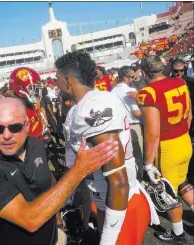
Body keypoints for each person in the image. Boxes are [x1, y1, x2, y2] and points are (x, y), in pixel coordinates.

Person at [0, 97, 119, 245]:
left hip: (54, 238)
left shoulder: (36, 146)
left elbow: (48, 182)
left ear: (27, 126)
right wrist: (78, 170)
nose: (6, 135)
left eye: (15, 127)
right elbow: (30, 220)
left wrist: (58, 225)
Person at [55, 51, 155, 245]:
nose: (56, 85)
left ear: (68, 80)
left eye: (58, 79)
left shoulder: (92, 107)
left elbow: (118, 181)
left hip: (121, 205)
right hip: (106, 204)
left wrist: (109, 239)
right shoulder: (79, 108)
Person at [137, 55, 194, 243]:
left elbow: (152, 133)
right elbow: (189, 116)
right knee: (182, 182)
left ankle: (178, 234)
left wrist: (147, 163)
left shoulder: (148, 93)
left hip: (167, 147)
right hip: (184, 140)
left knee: (168, 193)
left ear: (145, 72)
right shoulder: (179, 81)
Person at [112, 67, 144, 181]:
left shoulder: (113, 91)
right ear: (125, 78)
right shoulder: (129, 90)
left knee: (126, 156)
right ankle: (140, 179)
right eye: (132, 77)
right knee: (138, 155)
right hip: (133, 126)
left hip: (120, 127)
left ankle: (131, 179)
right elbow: (137, 112)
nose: (133, 79)